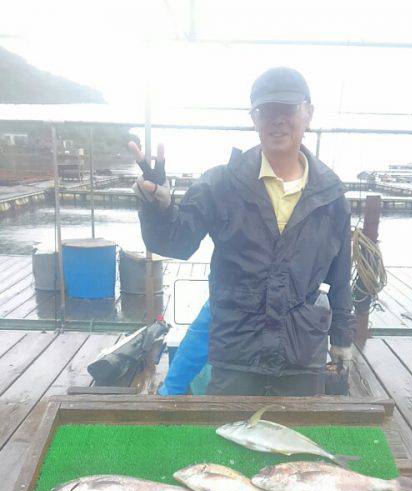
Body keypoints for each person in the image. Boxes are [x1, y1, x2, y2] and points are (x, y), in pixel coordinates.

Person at [132, 67, 354, 396]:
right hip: (236, 354)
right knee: (226, 442)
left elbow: (340, 276)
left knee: (296, 441)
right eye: (267, 111)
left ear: (309, 113)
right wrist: (158, 208)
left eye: (288, 109)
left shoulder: (332, 196)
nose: (278, 120)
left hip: (301, 358)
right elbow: (175, 241)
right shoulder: (221, 183)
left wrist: (342, 339)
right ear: (253, 117)